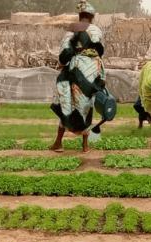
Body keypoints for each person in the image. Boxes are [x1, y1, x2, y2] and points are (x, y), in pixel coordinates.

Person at [49, 1, 105, 153]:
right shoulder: (97, 31)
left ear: (80, 16)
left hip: (76, 70)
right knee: (86, 106)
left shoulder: (73, 28)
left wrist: (62, 63)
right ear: (92, 17)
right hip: (93, 70)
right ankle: (85, 146)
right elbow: (100, 52)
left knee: (67, 103)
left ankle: (58, 143)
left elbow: (65, 51)